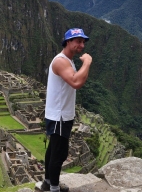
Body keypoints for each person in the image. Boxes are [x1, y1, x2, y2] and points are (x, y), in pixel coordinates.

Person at [42, 28, 92, 192]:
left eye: (83, 41)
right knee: (59, 153)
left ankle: (48, 183)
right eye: (78, 41)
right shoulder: (61, 61)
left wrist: (84, 66)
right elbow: (76, 82)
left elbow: (79, 81)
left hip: (62, 115)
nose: (82, 45)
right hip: (59, 116)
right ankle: (54, 188)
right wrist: (87, 63)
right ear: (68, 42)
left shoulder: (68, 61)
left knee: (54, 150)